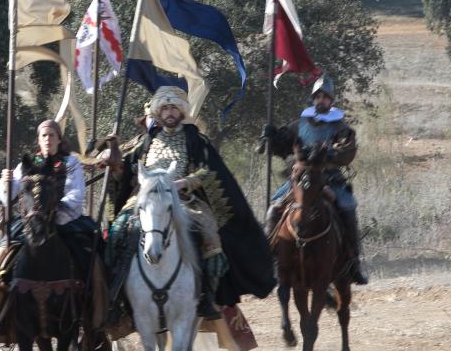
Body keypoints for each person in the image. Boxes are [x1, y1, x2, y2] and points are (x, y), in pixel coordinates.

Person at [102, 86, 276, 321]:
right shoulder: (147, 141)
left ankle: (206, 297)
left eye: (174, 107)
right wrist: (115, 165)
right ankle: (116, 299)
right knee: (116, 232)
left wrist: (186, 182)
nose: (169, 112)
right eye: (165, 108)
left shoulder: (195, 140)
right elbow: (128, 172)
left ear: (182, 111)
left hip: (184, 199)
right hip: (144, 200)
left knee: (209, 235)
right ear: (159, 113)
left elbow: (210, 171)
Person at [262, 75, 369, 285]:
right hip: (301, 177)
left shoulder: (340, 127)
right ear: (313, 98)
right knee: (275, 207)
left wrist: (325, 155)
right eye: (318, 96)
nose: (321, 100)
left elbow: (347, 151)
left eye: (325, 97)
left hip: (329, 178)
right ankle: (269, 255)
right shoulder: (299, 124)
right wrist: (271, 137)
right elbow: (283, 146)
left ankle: (352, 261)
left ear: (331, 100)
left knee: (347, 206)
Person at [0, 120, 98, 273]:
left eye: (51, 135)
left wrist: (54, 210)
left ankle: (97, 293)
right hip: (31, 221)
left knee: (92, 256)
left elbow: (77, 193)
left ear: (59, 139)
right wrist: (6, 182)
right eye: (44, 135)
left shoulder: (70, 163)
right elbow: (9, 195)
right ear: (39, 139)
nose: (48, 139)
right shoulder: (27, 164)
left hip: (63, 219)